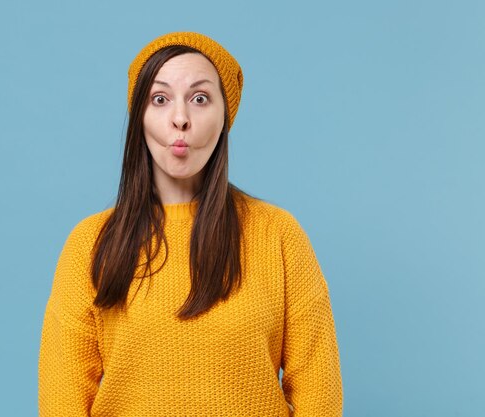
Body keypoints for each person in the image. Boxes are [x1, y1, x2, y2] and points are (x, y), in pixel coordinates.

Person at [38, 31, 343, 416]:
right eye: (160, 99)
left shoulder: (279, 235)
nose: (180, 118)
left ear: (224, 117)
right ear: (140, 117)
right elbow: (62, 401)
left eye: (200, 99)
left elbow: (320, 395)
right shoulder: (91, 244)